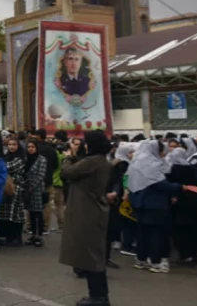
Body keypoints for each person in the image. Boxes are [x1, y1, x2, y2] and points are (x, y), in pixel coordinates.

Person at [59, 130, 113, 306]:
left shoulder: (92, 162)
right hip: (93, 210)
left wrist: (67, 157)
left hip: (88, 212)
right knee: (92, 255)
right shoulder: (100, 161)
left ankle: (98, 296)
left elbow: (67, 173)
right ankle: (97, 294)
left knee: (92, 257)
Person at [128, 139, 181, 273]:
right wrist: (180, 187)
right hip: (154, 204)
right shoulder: (151, 165)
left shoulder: (136, 163)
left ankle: (141, 260)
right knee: (156, 234)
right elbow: (160, 184)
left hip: (139, 203)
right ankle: (156, 262)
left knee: (142, 233)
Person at [0, 136, 26, 247]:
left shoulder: (20, 158)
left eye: (14, 145)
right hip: (5, 188)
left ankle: (17, 238)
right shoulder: (6, 157)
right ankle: (9, 237)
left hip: (16, 188)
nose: (11, 147)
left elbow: (7, 167)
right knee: (6, 215)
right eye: (9, 145)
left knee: (15, 215)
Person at [24, 139, 48, 248]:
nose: (30, 149)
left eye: (32, 147)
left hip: (37, 190)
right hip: (28, 189)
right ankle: (33, 234)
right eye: (28, 147)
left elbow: (41, 175)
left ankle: (39, 235)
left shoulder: (42, 160)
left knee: (38, 213)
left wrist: (32, 186)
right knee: (31, 213)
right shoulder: (26, 159)